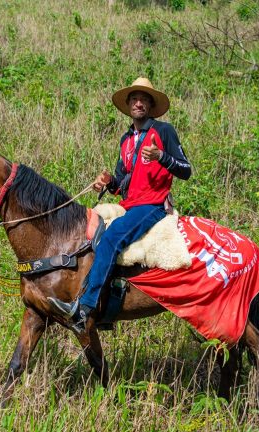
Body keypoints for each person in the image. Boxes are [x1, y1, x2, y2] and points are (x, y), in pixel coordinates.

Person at [49, 77, 192, 334]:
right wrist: (107, 182)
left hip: (152, 205)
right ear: (128, 105)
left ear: (150, 105)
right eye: (134, 99)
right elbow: (122, 186)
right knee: (88, 230)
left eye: (144, 99)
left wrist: (161, 156)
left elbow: (186, 170)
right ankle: (106, 298)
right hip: (129, 203)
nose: (138, 103)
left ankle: (86, 308)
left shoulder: (163, 131)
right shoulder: (126, 139)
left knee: (112, 237)